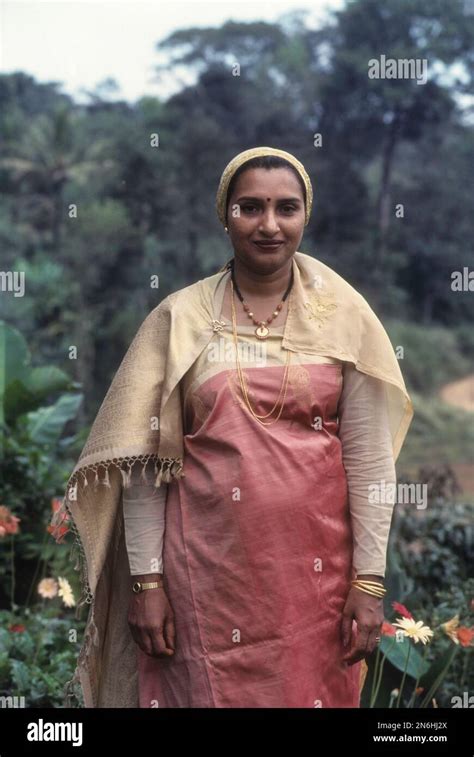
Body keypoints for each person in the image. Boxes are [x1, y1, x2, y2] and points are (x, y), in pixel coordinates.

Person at [50, 146, 414, 708]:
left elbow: (368, 461)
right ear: (226, 215)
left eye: (285, 208)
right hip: (205, 582)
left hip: (316, 583)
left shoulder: (347, 317)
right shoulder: (179, 320)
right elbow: (149, 465)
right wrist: (147, 583)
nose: (269, 225)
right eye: (251, 207)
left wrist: (368, 581)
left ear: (305, 216)